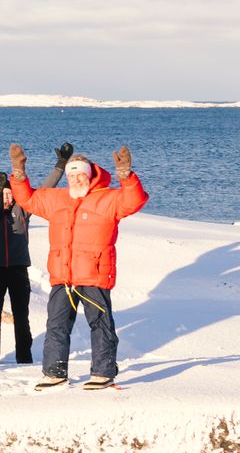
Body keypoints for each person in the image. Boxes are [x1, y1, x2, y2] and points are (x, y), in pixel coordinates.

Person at [10, 143, 147, 389]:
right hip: (63, 275)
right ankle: (55, 373)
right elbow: (27, 199)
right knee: (56, 325)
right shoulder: (57, 199)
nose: (75, 179)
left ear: (90, 174)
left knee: (100, 324)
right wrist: (18, 173)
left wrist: (126, 176)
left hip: (94, 275)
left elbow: (134, 201)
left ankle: (103, 373)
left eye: (79, 174)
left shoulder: (108, 198)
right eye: (71, 175)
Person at [0, 137, 64, 366]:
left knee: (21, 317)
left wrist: (60, 167)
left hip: (18, 270)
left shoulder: (23, 209)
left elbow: (45, 189)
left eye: (10, 193)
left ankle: (24, 359)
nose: (8, 197)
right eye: (4, 193)